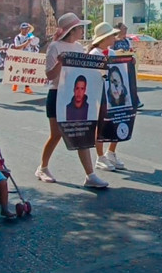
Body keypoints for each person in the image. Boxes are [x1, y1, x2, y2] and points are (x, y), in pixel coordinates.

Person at [35, 12, 108, 188]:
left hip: (77, 95)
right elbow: (50, 75)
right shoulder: (55, 47)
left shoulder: (79, 48)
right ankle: (42, 167)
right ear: (72, 30)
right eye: (79, 28)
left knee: (82, 133)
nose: (82, 31)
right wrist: (60, 62)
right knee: (56, 134)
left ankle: (90, 175)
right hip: (57, 94)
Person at [87, 22, 126, 171]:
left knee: (117, 121)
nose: (114, 38)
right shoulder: (93, 55)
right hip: (99, 94)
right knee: (101, 125)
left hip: (113, 94)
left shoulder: (112, 53)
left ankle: (111, 152)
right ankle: (100, 156)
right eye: (111, 36)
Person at [11, 23, 39, 94]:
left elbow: (35, 41)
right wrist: (26, 42)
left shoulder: (29, 35)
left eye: (27, 28)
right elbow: (17, 47)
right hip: (20, 56)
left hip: (28, 56)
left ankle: (27, 87)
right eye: (24, 28)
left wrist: (32, 40)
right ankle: (15, 83)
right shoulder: (17, 37)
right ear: (21, 29)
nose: (26, 30)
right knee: (18, 71)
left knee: (27, 72)